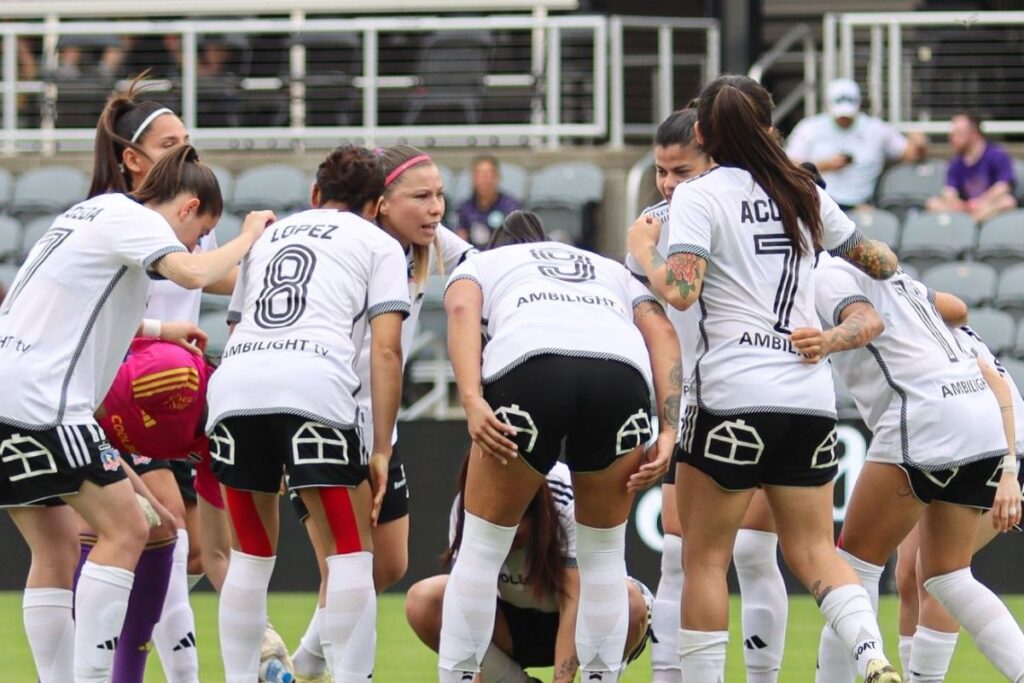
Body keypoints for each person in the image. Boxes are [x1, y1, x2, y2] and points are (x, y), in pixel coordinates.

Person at [627, 74, 903, 683]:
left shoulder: (699, 195)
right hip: (808, 397)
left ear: (702, 133)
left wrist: (645, 249)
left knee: (703, 558)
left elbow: (680, 291)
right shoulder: (802, 189)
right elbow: (879, 262)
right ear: (769, 126)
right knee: (812, 554)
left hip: (731, 396)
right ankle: (871, 655)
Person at [0, 144, 271, 683]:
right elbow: (192, 275)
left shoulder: (86, 214)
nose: (194, 245)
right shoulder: (133, 218)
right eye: (197, 233)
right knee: (127, 529)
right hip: (46, 402)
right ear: (188, 207)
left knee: (53, 549)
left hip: (11, 391)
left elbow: (68, 306)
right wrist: (248, 237)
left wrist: (158, 330)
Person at [440, 210, 681, 682]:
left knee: (482, 552)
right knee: (606, 557)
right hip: (620, 374)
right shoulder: (608, 268)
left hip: (531, 365)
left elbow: (463, 310)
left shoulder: (482, 264)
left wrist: (471, 398)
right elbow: (664, 332)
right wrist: (669, 428)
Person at [205, 144, 409, 683]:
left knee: (250, 555)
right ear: (377, 205)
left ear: (316, 195)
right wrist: (381, 446)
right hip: (315, 386)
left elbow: (235, 326)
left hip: (236, 385)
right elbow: (387, 350)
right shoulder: (379, 244)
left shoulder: (269, 235)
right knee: (349, 557)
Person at [287, 144, 475, 683]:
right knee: (346, 565)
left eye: (440, 194)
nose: (436, 207)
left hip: (378, 432)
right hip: (327, 422)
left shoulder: (430, 245)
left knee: (388, 563)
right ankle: (320, 671)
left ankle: (300, 664)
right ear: (380, 204)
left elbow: (489, 266)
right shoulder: (358, 250)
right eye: (421, 196)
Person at [626, 107, 789, 683]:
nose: (670, 184)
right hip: (695, 399)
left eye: (682, 170)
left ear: (713, 160)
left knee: (752, 551)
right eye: (661, 171)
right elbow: (653, 325)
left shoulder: (744, 204)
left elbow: (683, 295)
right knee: (677, 555)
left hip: (761, 385)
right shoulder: (651, 224)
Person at [808, 258, 1024, 683]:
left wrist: (1010, 471)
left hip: (987, 437)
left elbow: (995, 379)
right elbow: (957, 307)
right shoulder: (908, 297)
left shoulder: (826, 277)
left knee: (852, 573)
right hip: (979, 432)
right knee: (935, 574)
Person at [86, 81, 236, 683]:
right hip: (128, 393)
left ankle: (122, 654)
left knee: (192, 549)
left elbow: (221, 279)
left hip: (180, 399)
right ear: (133, 158)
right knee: (163, 529)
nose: (186, 154)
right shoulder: (112, 219)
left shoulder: (191, 212)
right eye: (171, 144)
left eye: (188, 144)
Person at [406, 456, 652, 683]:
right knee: (424, 601)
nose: (512, 532)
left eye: (520, 520)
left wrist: (562, 680)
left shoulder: (567, 498)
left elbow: (574, 602)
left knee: (630, 602)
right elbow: (464, 613)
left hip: (581, 622)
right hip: (510, 626)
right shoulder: (469, 507)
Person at [892, 306, 1024, 680]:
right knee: (907, 574)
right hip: (950, 453)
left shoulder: (938, 337)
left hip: (1001, 454)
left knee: (938, 575)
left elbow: (998, 385)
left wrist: (1010, 472)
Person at [786, 78, 926, 210]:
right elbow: (790, 164)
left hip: (863, 205)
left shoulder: (876, 129)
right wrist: (825, 165)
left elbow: (909, 153)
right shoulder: (809, 128)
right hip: (820, 204)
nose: (844, 119)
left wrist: (919, 144)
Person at [925, 113, 1017, 222]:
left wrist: (980, 202)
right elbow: (949, 192)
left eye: (957, 133)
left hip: (987, 206)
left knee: (1008, 202)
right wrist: (959, 205)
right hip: (964, 209)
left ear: (974, 134)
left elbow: (1003, 186)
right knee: (933, 203)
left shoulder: (997, 155)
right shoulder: (956, 163)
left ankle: (968, 224)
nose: (951, 138)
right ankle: (968, 223)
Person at [455, 155, 522, 248]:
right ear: (473, 179)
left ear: (498, 177)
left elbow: (517, 240)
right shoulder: (464, 208)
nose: (485, 179)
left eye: (489, 174)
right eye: (480, 174)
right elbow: (460, 242)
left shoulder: (511, 206)